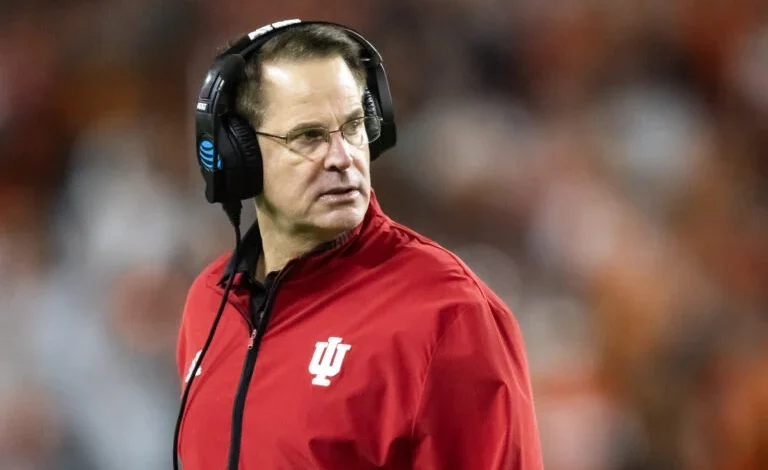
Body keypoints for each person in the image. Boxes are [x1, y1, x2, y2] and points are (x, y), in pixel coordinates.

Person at [174, 19, 543, 470]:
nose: (342, 157)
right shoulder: (208, 303)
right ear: (237, 153)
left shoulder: (448, 313)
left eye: (353, 127)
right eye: (309, 136)